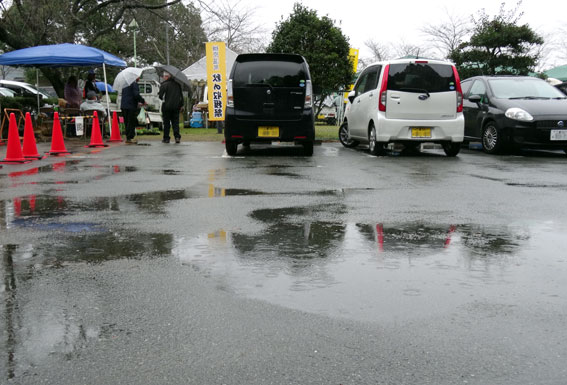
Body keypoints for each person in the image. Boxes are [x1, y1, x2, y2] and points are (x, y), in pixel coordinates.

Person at [158, 71, 184, 144]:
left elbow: (160, 96)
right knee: (175, 122)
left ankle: (166, 138)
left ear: (167, 77)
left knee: (166, 123)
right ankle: (177, 137)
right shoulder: (178, 85)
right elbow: (181, 96)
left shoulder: (164, 85)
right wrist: (181, 105)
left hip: (166, 107)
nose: (163, 78)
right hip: (176, 107)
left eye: (164, 76)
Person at [120, 78, 146, 144]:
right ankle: (130, 138)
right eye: (138, 77)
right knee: (131, 122)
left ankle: (128, 137)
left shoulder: (125, 85)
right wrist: (142, 101)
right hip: (131, 105)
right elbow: (136, 94)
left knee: (127, 122)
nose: (139, 78)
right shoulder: (134, 84)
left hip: (123, 105)